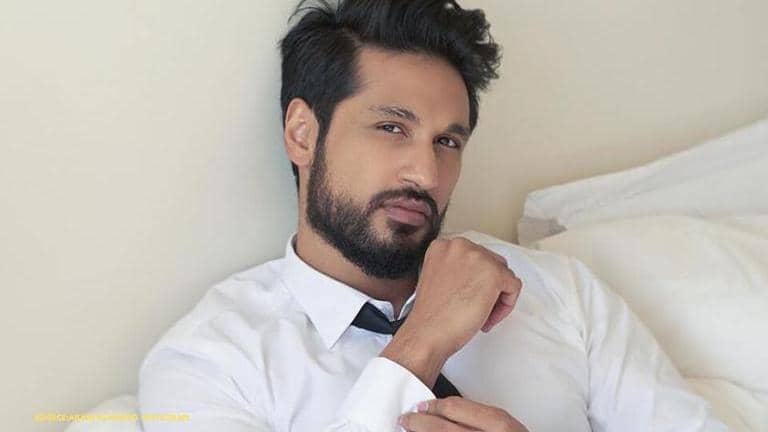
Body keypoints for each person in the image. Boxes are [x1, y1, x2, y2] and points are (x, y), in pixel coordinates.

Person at [137, 1, 727, 431]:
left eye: (448, 141)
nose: (426, 173)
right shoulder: (211, 360)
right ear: (302, 133)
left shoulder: (560, 294)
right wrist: (420, 346)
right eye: (391, 127)